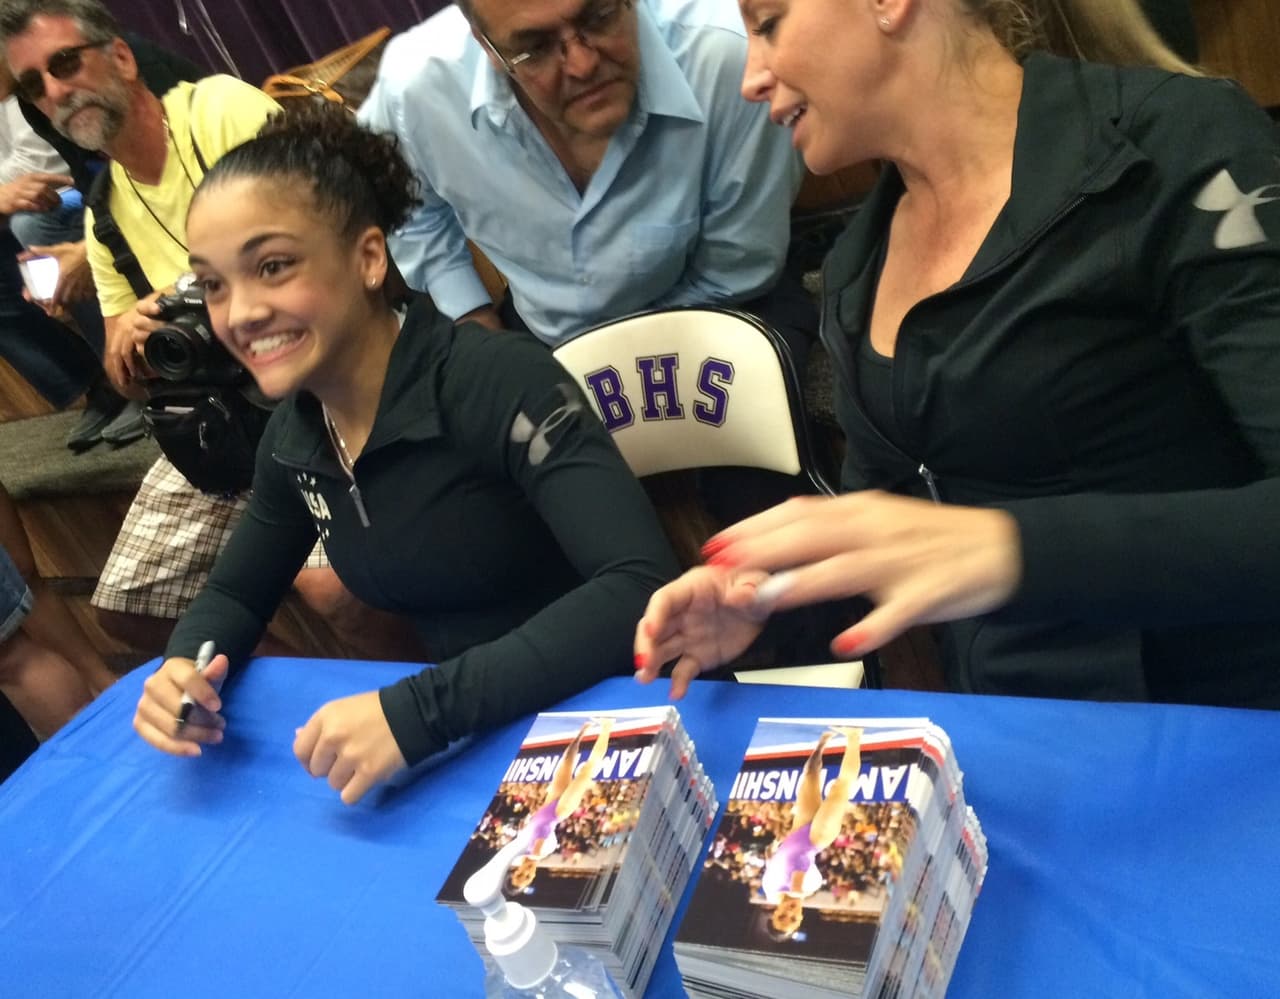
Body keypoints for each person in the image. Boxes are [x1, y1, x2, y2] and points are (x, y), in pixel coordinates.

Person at [635, 0, 1280, 709]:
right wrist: (767, 596)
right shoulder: (858, 269)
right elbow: (891, 535)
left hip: (1223, 729)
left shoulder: (1182, 148)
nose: (751, 78)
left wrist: (1011, 549)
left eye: (769, 23)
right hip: (1016, 732)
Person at [130, 105, 679, 806]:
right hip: (485, 735)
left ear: (368, 257)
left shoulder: (497, 378)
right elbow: (236, 591)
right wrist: (186, 663)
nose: (238, 313)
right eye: (212, 284)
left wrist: (421, 710)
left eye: (273, 266)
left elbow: (639, 583)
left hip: (623, 711)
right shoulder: (297, 432)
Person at [0, 0, 379, 658]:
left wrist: (197, 298)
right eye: (35, 85)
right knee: (128, 604)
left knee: (331, 587)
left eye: (67, 63)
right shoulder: (104, 215)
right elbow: (135, 378)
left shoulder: (219, 112)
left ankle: (422, 692)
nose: (56, 91)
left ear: (120, 56)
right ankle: (304, 696)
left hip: (326, 383)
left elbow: (335, 248)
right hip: (231, 418)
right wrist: (129, 347)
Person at [357, 0, 807, 349]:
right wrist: (467, 313)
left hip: (724, 308)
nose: (582, 64)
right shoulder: (416, 87)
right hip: (543, 337)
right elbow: (397, 200)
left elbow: (738, 265)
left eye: (600, 16)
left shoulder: (730, 59)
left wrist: (610, 377)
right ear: (487, 47)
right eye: (534, 47)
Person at [759, 727, 861, 939]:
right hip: (817, 837)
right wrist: (797, 889)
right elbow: (801, 862)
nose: (790, 912)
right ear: (801, 918)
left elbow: (773, 865)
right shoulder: (810, 886)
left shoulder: (769, 891)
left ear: (774, 912)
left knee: (810, 774)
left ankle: (823, 741)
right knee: (840, 789)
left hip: (798, 829)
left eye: (782, 917)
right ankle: (854, 735)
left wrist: (770, 852)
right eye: (794, 918)